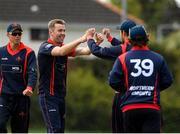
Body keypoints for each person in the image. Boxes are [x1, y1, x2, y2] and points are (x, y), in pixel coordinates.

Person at [108, 25, 173, 133]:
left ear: (129, 40)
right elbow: (168, 80)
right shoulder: (158, 58)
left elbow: (113, 81)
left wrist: (127, 89)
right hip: (151, 107)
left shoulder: (122, 58)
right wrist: (153, 88)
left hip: (130, 108)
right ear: (147, 37)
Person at [38, 19, 91, 133]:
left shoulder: (64, 47)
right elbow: (61, 51)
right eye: (60, 30)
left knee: (60, 131)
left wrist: (94, 42)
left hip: (60, 96)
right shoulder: (45, 47)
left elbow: (86, 51)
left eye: (64, 30)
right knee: (55, 130)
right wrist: (81, 39)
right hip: (48, 96)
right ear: (51, 32)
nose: (63, 33)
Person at [86, 20, 136, 133]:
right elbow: (122, 47)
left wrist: (89, 38)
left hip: (123, 96)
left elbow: (97, 51)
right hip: (140, 95)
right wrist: (109, 38)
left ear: (124, 33)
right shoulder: (137, 48)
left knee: (120, 129)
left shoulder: (123, 50)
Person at [0, 23, 37, 133]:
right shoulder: (1, 52)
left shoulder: (28, 52)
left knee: (20, 131)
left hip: (22, 98)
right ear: (8, 35)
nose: (17, 36)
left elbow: (33, 73)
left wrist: (30, 87)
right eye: (14, 33)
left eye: (19, 33)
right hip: (4, 97)